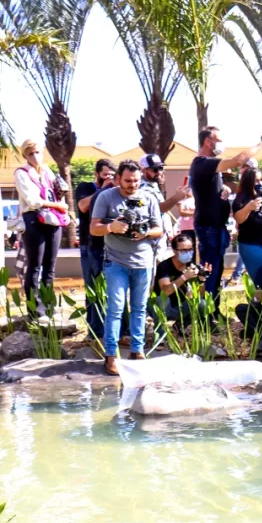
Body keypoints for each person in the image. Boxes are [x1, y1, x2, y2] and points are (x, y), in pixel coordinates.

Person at [90, 160, 164, 375]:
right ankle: (111, 355)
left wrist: (145, 232)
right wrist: (111, 227)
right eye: (128, 181)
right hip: (116, 262)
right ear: (118, 179)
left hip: (144, 261)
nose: (132, 185)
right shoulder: (106, 197)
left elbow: (159, 229)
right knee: (116, 308)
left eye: (136, 181)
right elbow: (94, 228)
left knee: (139, 308)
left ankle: (137, 351)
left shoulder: (149, 198)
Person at [189, 127, 262, 301]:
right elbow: (237, 161)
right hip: (209, 227)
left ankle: (214, 308)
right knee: (210, 271)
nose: (221, 144)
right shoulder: (203, 162)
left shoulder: (209, 168)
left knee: (217, 270)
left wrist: (224, 188)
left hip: (216, 227)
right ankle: (207, 309)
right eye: (219, 140)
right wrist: (261, 143)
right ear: (208, 142)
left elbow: (208, 187)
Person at [14, 139, 68, 316]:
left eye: (37, 152)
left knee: (50, 267)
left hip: (53, 219)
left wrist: (61, 205)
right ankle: (35, 310)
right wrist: (57, 205)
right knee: (35, 266)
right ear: (25, 155)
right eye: (30, 153)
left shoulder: (47, 171)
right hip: (34, 219)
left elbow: (58, 192)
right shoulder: (21, 173)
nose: (35, 156)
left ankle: (48, 305)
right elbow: (32, 200)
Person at [75, 159, 116, 338]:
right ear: (97, 174)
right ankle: (94, 331)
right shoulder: (85, 187)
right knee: (93, 288)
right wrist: (102, 190)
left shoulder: (116, 191)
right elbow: (83, 206)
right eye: (105, 175)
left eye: (112, 176)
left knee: (111, 289)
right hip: (89, 245)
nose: (109, 179)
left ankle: (113, 329)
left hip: (110, 245)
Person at [138, 153, 189, 264]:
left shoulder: (153, 185)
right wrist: (177, 197)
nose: (159, 172)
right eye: (155, 169)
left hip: (159, 238)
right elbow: (159, 208)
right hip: (150, 239)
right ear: (143, 170)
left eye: (161, 168)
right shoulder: (143, 187)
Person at [153, 233, 210, 331]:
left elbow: (200, 295)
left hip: (182, 307)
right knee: (160, 300)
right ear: (174, 251)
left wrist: (202, 280)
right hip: (164, 307)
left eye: (190, 249)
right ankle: (159, 333)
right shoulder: (164, 266)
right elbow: (165, 292)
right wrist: (184, 277)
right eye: (183, 250)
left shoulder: (193, 267)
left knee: (202, 304)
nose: (188, 253)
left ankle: (181, 326)